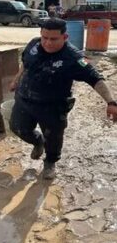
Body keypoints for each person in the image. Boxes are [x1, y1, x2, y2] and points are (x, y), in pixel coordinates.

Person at [9, 18, 117, 179]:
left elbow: (95, 78)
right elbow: (26, 63)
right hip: (25, 99)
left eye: (53, 39)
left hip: (52, 107)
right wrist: (16, 79)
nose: (47, 43)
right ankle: (38, 142)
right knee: (18, 128)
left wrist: (111, 102)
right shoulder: (33, 44)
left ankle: (50, 163)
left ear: (65, 37)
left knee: (53, 138)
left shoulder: (72, 57)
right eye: (44, 37)